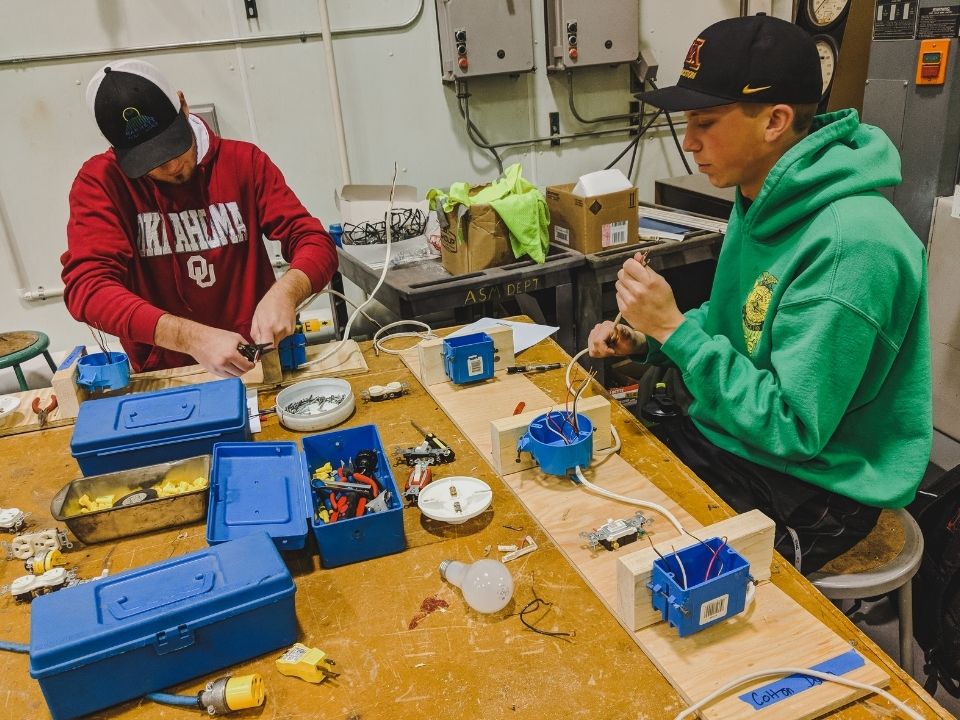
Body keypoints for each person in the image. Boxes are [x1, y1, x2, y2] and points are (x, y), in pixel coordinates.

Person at [588, 14, 931, 574]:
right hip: (732, 434)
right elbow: (739, 324)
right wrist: (649, 338)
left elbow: (793, 428)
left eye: (705, 121)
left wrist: (674, 329)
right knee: (595, 498)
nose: (689, 141)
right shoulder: (763, 198)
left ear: (774, 121)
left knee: (649, 576)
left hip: (816, 483)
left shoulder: (852, 246)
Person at [61, 59, 337, 376]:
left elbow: (314, 242)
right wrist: (190, 338)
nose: (171, 167)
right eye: (149, 160)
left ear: (183, 105)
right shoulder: (101, 182)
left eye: (174, 147)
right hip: (165, 376)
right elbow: (88, 289)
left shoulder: (244, 162)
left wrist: (287, 291)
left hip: (255, 365)